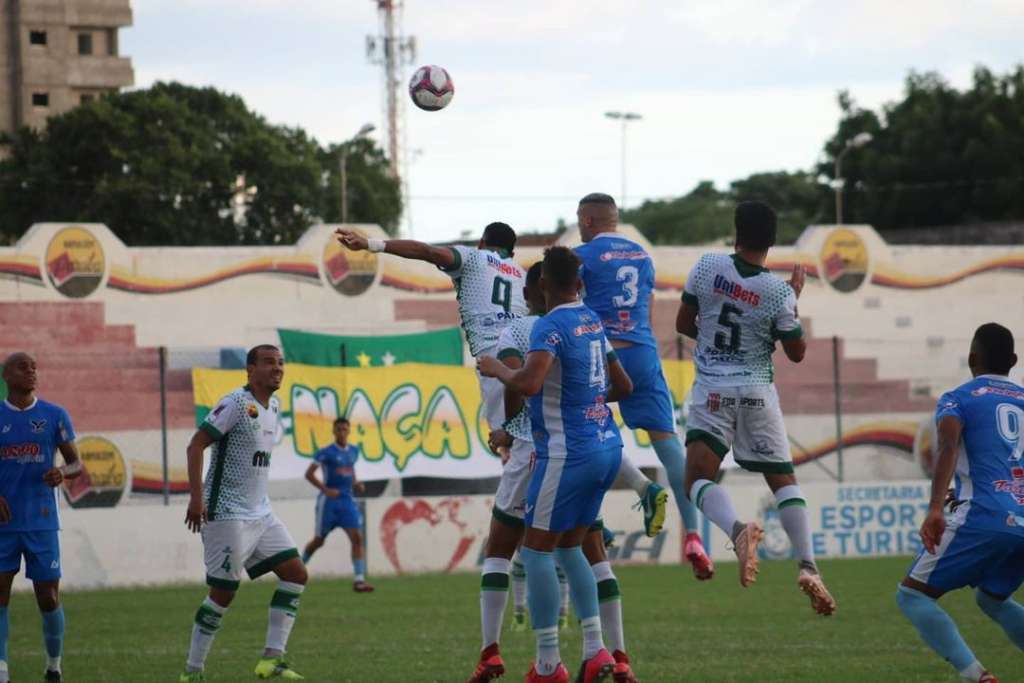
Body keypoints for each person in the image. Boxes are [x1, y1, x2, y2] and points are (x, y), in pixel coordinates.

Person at [479, 246, 631, 683]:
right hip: (606, 446)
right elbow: (623, 385)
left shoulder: (550, 325)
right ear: (580, 283)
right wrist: (583, 396)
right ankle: (597, 650)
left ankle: (547, 664)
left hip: (567, 453)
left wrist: (496, 369)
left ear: (543, 285)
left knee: (536, 551)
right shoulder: (592, 321)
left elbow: (527, 382)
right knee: (571, 547)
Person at [676, 200, 836, 615]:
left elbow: (682, 323)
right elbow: (797, 352)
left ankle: (736, 530)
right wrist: (791, 302)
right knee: (783, 481)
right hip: (756, 393)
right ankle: (809, 566)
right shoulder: (778, 291)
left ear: (736, 231)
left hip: (713, 389)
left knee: (696, 478)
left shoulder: (707, 266)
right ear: (773, 240)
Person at [575, 193, 711, 579]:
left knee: (581, 434)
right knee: (669, 446)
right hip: (644, 352)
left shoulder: (580, 257)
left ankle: (593, 523)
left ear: (587, 221)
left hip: (602, 355)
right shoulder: (642, 256)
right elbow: (648, 315)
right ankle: (694, 537)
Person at [897, 323, 1024, 683]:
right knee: (992, 599)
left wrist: (936, 507)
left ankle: (976, 677)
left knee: (912, 595)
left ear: (971, 358)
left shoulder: (958, 398)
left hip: (987, 514)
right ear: (1014, 360)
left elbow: (949, 446)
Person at [179, 345, 308, 682]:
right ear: (250, 370)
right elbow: (196, 445)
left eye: (281, 362)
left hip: (260, 512)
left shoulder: (274, 404)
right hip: (226, 512)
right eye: (268, 363)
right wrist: (196, 498)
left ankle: (271, 659)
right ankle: (192, 673)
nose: (277, 368)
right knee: (223, 592)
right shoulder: (236, 403)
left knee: (296, 574)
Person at [335, 223, 528, 435]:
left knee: (513, 441)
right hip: (527, 356)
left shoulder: (472, 256)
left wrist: (370, 244)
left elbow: (427, 251)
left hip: (493, 356)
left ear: (481, 243)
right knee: (529, 434)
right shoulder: (523, 275)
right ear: (512, 252)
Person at [0, 353, 82, 683]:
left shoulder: (53, 415)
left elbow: (77, 464)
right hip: (4, 524)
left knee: (47, 597)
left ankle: (53, 665)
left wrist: (62, 471)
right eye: (23, 367)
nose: (32, 371)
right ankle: (2, 668)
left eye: (34, 367)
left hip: (42, 520)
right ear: (6, 375)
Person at [301, 417, 373, 593]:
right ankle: (297, 569)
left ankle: (359, 581)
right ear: (333, 432)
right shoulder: (325, 452)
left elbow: (350, 470)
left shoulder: (354, 451)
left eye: (345, 429)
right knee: (319, 541)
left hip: (347, 500)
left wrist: (356, 483)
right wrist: (325, 490)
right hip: (329, 503)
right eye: (339, 429)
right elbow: (309, 474)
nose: (342, 432)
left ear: (349, 431)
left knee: (357, 538)